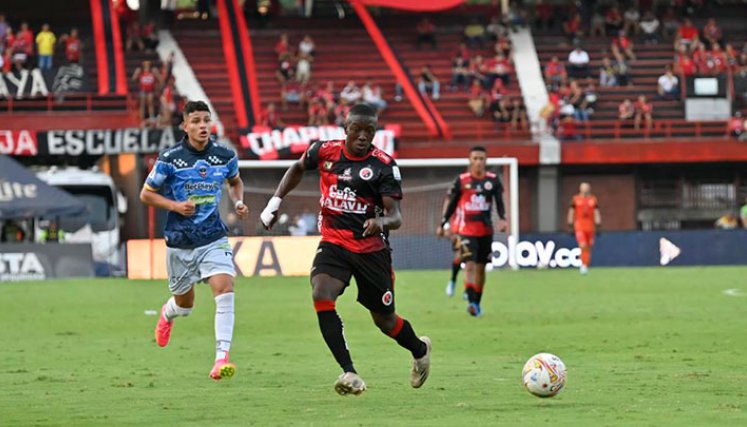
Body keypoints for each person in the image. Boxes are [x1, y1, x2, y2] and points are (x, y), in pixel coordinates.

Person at [259, 103, 431, 395]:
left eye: (370, 131)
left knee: (385, 321)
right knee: (321, 294)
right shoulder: (324, 152)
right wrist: (275, 202)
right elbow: (298, 167)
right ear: (345, 129)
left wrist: (381, 221)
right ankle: (349, 372)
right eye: (357, 130)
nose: (363, 136)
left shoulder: (383, 166)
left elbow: (397, 216)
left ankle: (419, 349)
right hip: (334, 243)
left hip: (371, 250)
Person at [139, 101, 248, 381]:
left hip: (212, 237)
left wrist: (238, 202)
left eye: (206, 120)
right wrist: (175, 206)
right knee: (185, 306)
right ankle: (168, 313)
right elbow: (146, 194)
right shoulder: (170, 158)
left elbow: (235, 182)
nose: (203, 126)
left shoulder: (224, 155)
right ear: (185, 126)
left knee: (225, 288)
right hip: (179, 242)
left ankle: (221, 358)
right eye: (196, 121)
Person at [437, 146, 507, 317]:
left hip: (485, 230)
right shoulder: (461, 180)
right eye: (475, 158)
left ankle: (476, 301)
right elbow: (452, 203)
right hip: (465, 230)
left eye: (481, 158)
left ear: (486, 161)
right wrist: (443, 223)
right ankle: (470, 301)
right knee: (468, 264)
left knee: (481, 269)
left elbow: (499, 202)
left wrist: (503, 219)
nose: (478, 162)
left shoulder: (493, 180)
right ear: (470, 160)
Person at [567, 182, 601, 275]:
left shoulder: (593, 199)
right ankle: (583, 266)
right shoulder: (575, 199)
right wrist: (570, 225)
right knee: (583, 245)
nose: (585, 189)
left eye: (586, 188)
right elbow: (571, 211)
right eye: (583, 188)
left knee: (588, 247)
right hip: (579, 226)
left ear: (589, 189)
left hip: (590, 226)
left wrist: (598, 225)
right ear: (580, 189)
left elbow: (596, 212)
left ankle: (585, 264)